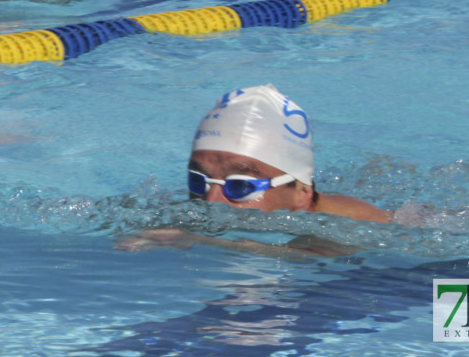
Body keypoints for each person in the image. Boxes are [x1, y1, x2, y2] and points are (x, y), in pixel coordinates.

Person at [118, 84, 391, 257]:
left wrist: (198, 239)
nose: (211, 202)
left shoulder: (358, 225)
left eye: (240, 186)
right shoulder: (207, 198)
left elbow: (310, 254)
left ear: (302, 191)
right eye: (198, 181)